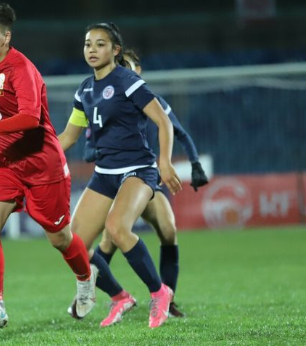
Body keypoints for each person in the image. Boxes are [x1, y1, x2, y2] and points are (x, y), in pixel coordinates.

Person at [0, 2, 97, 328]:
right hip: (2, 163)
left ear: (6, 37)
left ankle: (86, 280)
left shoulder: (22, 70)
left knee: (59, 237)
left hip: (41, 165)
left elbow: (30, 118)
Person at [57, 22, 182, 329]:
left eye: (100, 44)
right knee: (73, 245)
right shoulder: (84, 90)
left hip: (138, 170)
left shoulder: (128, 81)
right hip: (104, 174)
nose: (92, 49)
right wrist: (31, 155)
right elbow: (68, 138)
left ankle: (159, 292)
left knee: (117, 228)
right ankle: (119, 296)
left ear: (115, 51)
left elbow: (163, 123)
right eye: (88, 44)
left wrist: (164, 163)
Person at [76, 49, 209, 323]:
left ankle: (167, 299)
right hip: (115, 177)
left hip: (143, 175)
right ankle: (101, 290)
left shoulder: (149, 99)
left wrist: (193, 163)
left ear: (139, 71)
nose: (126, 70)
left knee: (167, 230)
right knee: (106, 238)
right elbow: (89, 141)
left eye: (130, 66)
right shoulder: (102, 100)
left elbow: (176, 130)